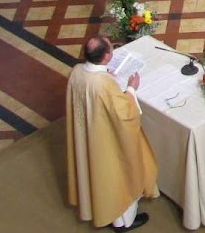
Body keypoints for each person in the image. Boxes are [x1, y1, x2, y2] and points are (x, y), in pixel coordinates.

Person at [66, 35, 158, 232]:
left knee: (95, 173)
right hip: (106, 141)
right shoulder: (103, 84)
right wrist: (131, 88)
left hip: (87, 134)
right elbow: (125, 114)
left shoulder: (77, 71)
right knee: (118, 175)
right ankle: (123, 221)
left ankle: (100, 209)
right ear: (107, 56)